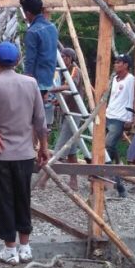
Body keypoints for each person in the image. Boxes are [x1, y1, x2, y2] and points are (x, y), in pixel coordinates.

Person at [0, 42, 49, 265]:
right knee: (23, 198)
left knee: (2, 200)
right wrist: (43, 147)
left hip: (0, 154)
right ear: (18, 60)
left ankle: (9, 249)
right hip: (25, 154)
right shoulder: (31, 84)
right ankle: (26, 247)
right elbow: (40, 121)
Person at [20, 0, 58, 128]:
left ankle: (36, 145)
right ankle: (41, 145)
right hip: (48, 77)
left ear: (28, 13)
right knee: (39, 114)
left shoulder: (33, 32)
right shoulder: (52, 27)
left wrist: (27, 79)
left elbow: (30, 59)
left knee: (31, 116)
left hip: (36, 80)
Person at [47, 48, 82, 183]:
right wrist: (57, 101)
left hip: (74, 113)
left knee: (60, 149)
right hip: (67, 111)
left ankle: (43, 179)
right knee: (72, 150)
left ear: (69, 58)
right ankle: (74, 180)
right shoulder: (63, 71)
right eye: (61, 56)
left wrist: (49, 89)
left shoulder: (74, 70)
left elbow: (69, 86)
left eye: (64, 57)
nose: (62, 59)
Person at [105, 54, 135, 198]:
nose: (115, 64)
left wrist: (129, 118)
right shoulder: (114, 79)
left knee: (108, 147)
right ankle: (118, 181)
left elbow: (131, 98)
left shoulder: (130, 79)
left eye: (118, 62)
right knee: (110, 149)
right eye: (115, 62)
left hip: (120, 118)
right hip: (109, 114)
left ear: (126, 65)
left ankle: (114, 181)